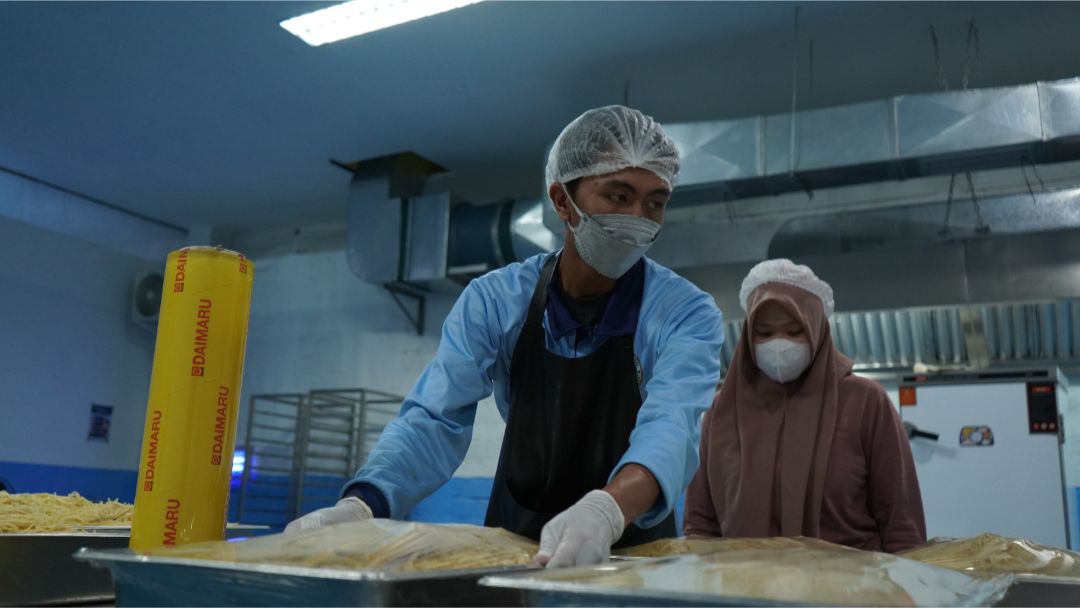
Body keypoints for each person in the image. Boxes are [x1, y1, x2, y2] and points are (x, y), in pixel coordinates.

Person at [287, 106, 725, 568]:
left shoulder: (685, 312)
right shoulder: (496, 301)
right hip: (518, 545)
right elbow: (435, 418)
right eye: (619, 196)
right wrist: (363, 504)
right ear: (562, 201)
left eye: (655, 203)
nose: (638, 218)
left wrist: (606, 511)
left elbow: (671, 425)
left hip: (633, 550)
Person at [683, 259, 925, 553]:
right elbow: (700, 527)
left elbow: (902, 525)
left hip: (851, 581)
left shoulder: (864, 403)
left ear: (817, 331)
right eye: (764, 333)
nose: (779, 344)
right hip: (746, 581)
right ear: (747, 336)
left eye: (795, 331)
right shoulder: (722, 413)